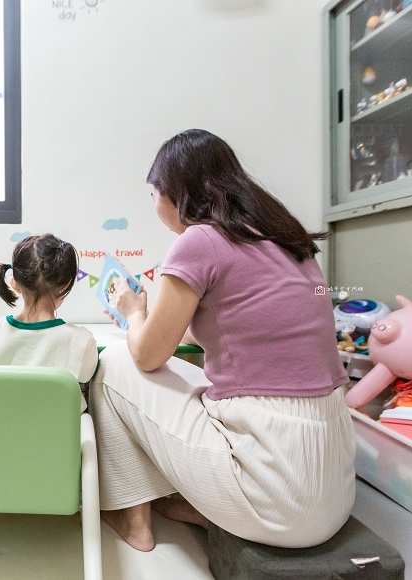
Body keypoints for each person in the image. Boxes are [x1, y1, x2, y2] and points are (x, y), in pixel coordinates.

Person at [93, 129, 354, 552]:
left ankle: (133, 516)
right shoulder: (286, 238)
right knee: (183, 373)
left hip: (272, 493)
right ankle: (201, 504)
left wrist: (134, 313)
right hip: (333, 492)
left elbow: (146, 353)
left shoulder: (198, 241)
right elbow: (236, 324)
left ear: (174, 193)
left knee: (115, 362)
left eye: (155, 191)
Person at [0, 233, 98, 412]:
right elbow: (86, 375)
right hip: (58, 436)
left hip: (3, 433)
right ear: (65, 286)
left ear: (15, 284)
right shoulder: (81, 341)